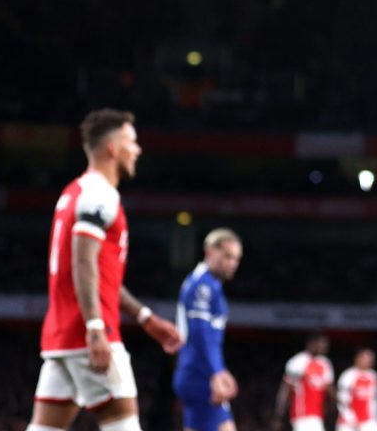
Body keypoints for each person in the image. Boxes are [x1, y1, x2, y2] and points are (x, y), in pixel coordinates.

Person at [25, 109, 184, 431]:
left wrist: (145, 318)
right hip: (89, 335)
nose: (137, 150)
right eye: (132, 141)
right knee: (123, 426)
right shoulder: (100, 194)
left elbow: (99, 276)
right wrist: (96, 328)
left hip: (63, 336)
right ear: (112, 148)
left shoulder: (75, 192)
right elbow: (83, 261)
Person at [175, 228, 244, 431]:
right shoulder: (201, 287)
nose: (232, 264)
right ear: (209, 252)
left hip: (201, 372)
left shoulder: (210, 285)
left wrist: (219, 371)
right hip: (199, 374)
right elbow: (199, 333)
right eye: (227, 256)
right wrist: (216, 373)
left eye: (236, 259)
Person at [275, 332, 334, 431]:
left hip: (317, 415)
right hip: (302, 414)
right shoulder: (298, 362)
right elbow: (285, 389)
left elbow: (329, 389)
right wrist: (279, 415)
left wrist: (337, 405)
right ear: (312, 344)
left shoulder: (325, 363)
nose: (325, 347)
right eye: (322, 343)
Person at [337, 348, 377, 431]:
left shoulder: (373, 376)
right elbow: (342, 400)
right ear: (358, 358)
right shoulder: (348, 375)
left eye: (371, 359)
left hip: (367, 421)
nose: (369, 361)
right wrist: (351, 419)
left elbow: (374, 400)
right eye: (366, 358)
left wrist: (376, 420)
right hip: (348, 422)